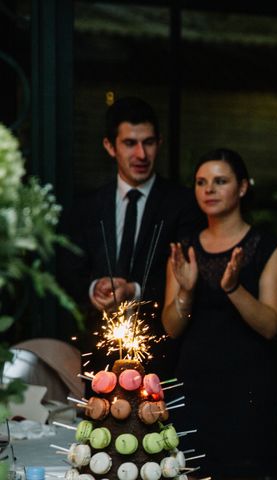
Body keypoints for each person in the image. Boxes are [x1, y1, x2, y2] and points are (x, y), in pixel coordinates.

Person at [161, 148, 277, 478]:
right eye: (201, 182)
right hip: (192, 387)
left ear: (243, 187)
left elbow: (270, 325)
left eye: (220, 181)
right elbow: (172, 328)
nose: (209, 190)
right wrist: (187, 291)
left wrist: (233, 288)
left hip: (246, 392)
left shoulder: (268, 248)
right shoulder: (184, 248)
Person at [58, 96, 203, 377]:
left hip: (163, 355)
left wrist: (134, 291)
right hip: (99, 355)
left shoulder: (182, 204)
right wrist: (93, 288)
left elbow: (186, 270)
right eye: (129, 143)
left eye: (148, 142)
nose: (141, 154)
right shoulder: (87, 206)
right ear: (109, 146)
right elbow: (67, 267)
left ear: (159, 144)